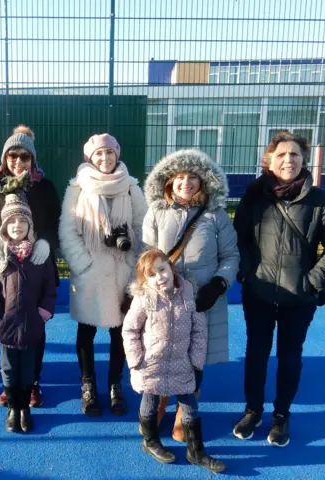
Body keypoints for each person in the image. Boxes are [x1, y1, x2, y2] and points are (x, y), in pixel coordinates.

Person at [232, 132, 325, 447]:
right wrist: (246, 272)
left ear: (303, 160)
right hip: (259, 292)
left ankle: (281, 415)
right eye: (281, 154)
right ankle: (252, 410)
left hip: (300, 296)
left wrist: (313, 280)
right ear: (270, 159)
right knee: (256, 354)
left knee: (289, 356)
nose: (288, 160)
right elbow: (239, 236)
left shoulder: (322, 200)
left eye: (295, 154)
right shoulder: (254, 196)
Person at [142, 149, 239, 441]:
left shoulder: (215, 215)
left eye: (192, 177)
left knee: (195, 354)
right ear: (169, 181)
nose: (186, 182)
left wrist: (220, 283)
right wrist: (151, 287)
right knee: (161, 351)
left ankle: (185, 410)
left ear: (202, 181)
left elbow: (230, 254)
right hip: (164, 299)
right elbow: (145, 254)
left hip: (202, 299)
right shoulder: (156, 212)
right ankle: (159, 401)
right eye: (180, 177)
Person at [0, 125, 61, 407]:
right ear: (4, 158)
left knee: (36, 330)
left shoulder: (44, 187)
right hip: (4, 273)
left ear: (32, 159)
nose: (18, 162)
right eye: (12, 156)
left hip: (37, 267)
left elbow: (57, 225)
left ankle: (33, 383)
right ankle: (9, 384)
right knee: (6, 330)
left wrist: (46, 243)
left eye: (24, 157)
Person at [59, 133, 147, 416]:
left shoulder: (131, 187)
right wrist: (83, 264)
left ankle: (114, 385)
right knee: (86, 330)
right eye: (99, 154)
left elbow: (143, 225)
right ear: (90, 157)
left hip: (123, 270)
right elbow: (68, 230)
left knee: (120, 330)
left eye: (109, 153)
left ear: (117, 155)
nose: (105, 158)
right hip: (90, 270)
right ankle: (88, 385)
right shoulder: (77, 187)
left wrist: (134, 261)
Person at [123, 249, 225, 473]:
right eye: (151, 275)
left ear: (171, 268)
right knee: (149, 402)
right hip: (151, 365)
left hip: (182, 364)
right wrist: (136, 360)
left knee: (190, 406)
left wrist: (196, 361)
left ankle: (195, 451)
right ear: (144, 280)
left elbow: (199, 330)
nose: (159, 277)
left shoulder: (187, 295)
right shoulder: (143, 300)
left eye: (162, 269)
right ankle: (150, 442)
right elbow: (130, 329)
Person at [0, 194, 57, 433]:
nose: (17, 226)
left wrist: (42, 314)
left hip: (33, 325)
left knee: (29, 369)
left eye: (22, 221)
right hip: (7, 326)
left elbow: (49, 288)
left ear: (30, 226)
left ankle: (25, 407)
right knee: (8, 369)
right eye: (12, 221)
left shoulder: (39, 255)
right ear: (5, 227)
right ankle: (13, 407)